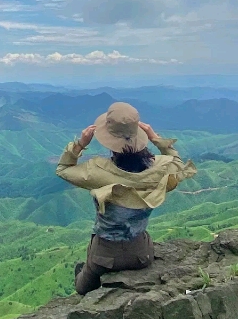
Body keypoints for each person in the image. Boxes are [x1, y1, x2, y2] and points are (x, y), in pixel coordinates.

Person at [56, 102, 197, 295]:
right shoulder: (158, 171)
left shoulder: (98, 172)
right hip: (142, 255)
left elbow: (63, 169)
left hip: (103, 257)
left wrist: (80, 144)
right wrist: (155, 138)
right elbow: (177, 163)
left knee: (81, 287)